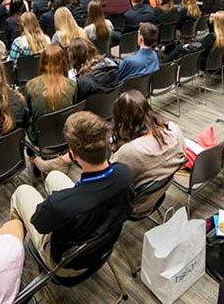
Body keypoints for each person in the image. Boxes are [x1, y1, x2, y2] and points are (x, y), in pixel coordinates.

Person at [10, 111, 133, 272]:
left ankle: (10, 255)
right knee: (54, 175)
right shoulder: (125, 173)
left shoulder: (59, 205)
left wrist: (53, 207)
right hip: (103, 247)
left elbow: (39, 224)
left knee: (22, 191)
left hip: (65, 266)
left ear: (73, 154)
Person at [111, 91, 185, 216]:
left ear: (122, 120)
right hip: (158, 195)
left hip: (135, 206)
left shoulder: (129, 152)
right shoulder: (174, 130)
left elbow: (111, 181)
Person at [24, 44, 77, 142]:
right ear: (64, 62)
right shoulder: (73, 85)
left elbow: (28, 116)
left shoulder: (30, 86)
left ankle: (31, 155)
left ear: (42, 62)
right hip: (67, 134)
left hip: (41, 139)